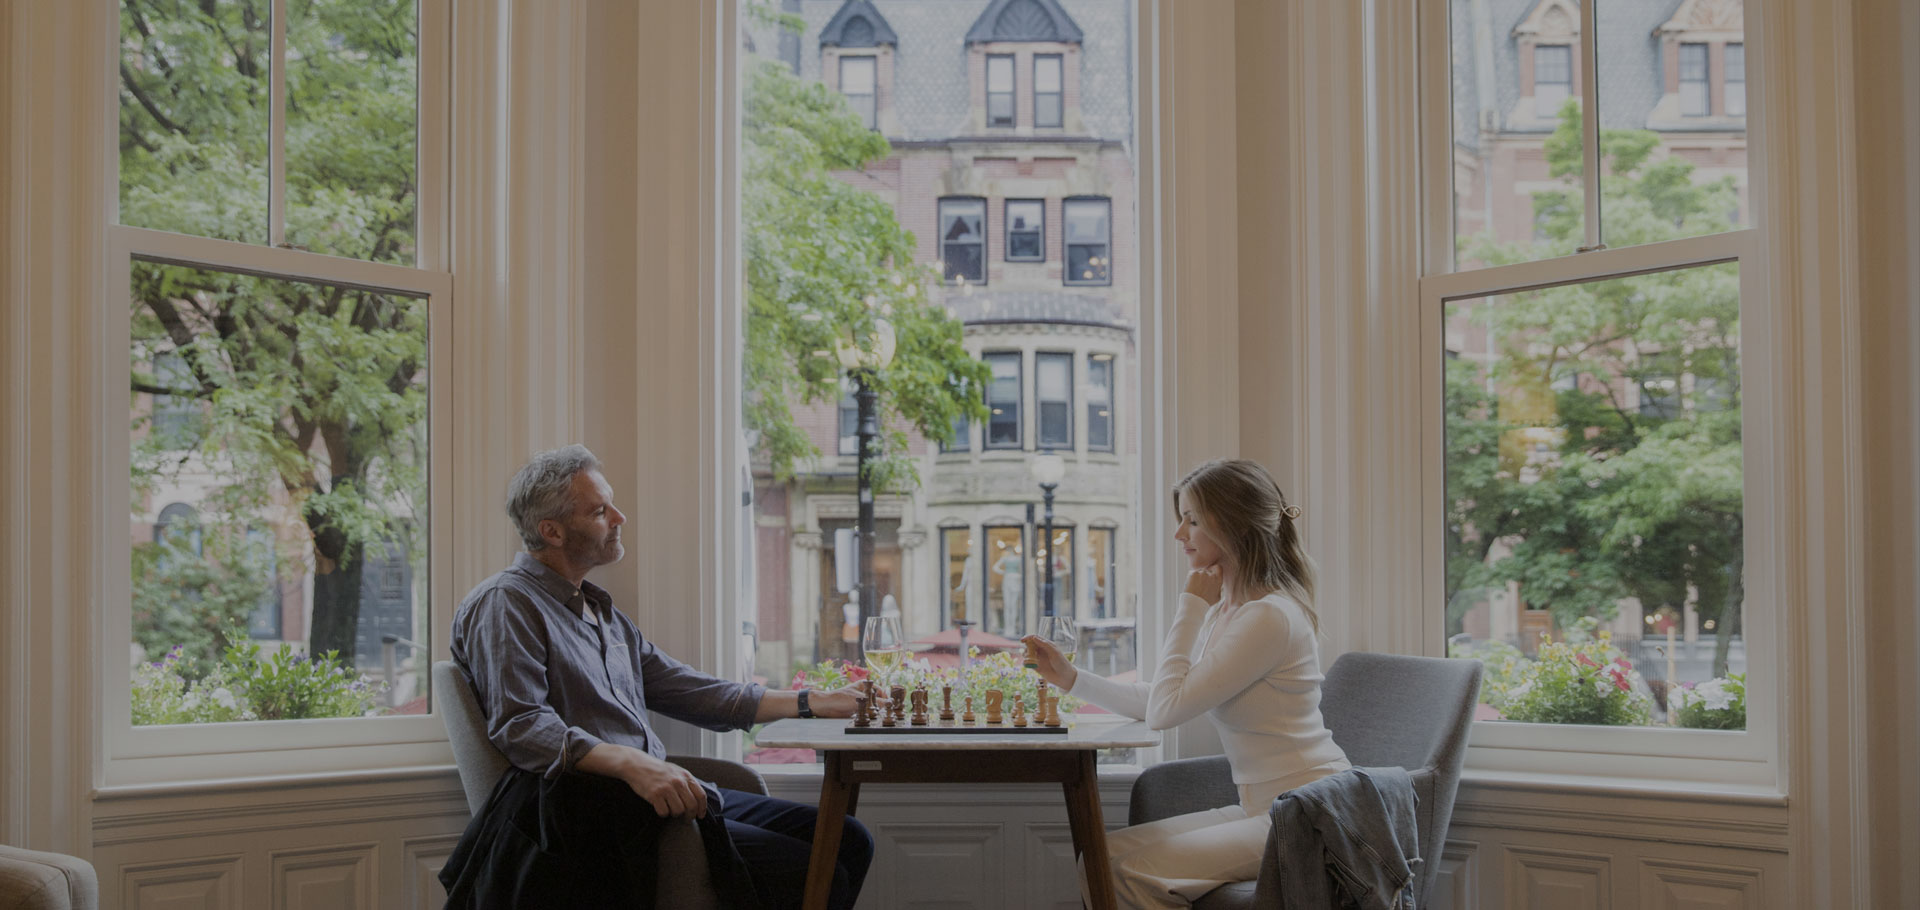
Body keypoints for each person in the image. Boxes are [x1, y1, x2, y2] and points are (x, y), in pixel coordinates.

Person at [449, 445, 874, 910]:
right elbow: (522, 725)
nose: (619, 516)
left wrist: (811, 701)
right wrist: (634, 764)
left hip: (658, 793)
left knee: (849, 839)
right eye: (599, 510)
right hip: (603, 814)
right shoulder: (506, 603)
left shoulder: (600, 612)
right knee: (818, 869)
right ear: (551, 531)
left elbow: (690, 690)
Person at [1023, 458, 1350, 910]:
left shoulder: (1269, 617)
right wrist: (1072, 679)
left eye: (1192, 520)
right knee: (1099, 859)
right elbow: (1163, 697)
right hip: (1261, 807)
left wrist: (1190, 607)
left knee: (1127, 874)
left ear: (1231, 527)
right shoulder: (1231, 612)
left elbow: (1164, 712)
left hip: (1307, 813)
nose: (1180, 534)